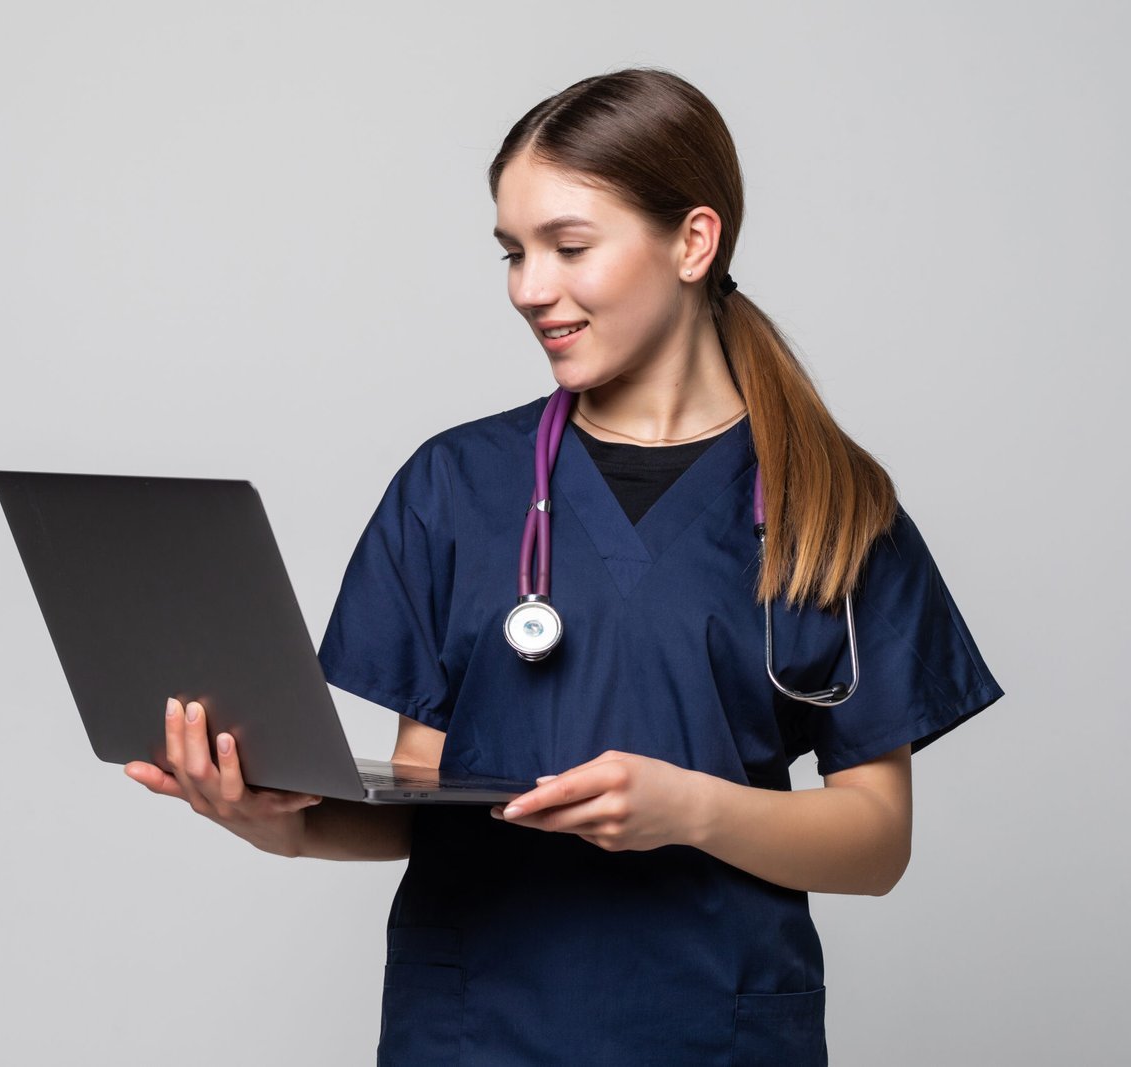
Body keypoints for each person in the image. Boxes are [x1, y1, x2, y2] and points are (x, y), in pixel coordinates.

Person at [124, 67, 1004, 1065]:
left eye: (568, 246)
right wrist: (267, 817)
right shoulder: (455, 485)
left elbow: (876, 840)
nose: (529, 288)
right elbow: (425, 792)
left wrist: (692, 807)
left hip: (708, 1024)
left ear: (692, 240)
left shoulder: (830, 506)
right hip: (474, 1026)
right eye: (512, 252)